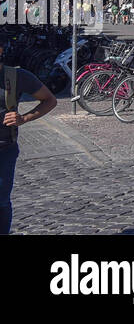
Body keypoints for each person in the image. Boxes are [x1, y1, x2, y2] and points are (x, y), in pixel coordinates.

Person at [0, 39, 57, 235]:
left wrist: (23, 118)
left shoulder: (15, 76)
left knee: (1, 201)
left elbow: (49, 100)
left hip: (4, 150)